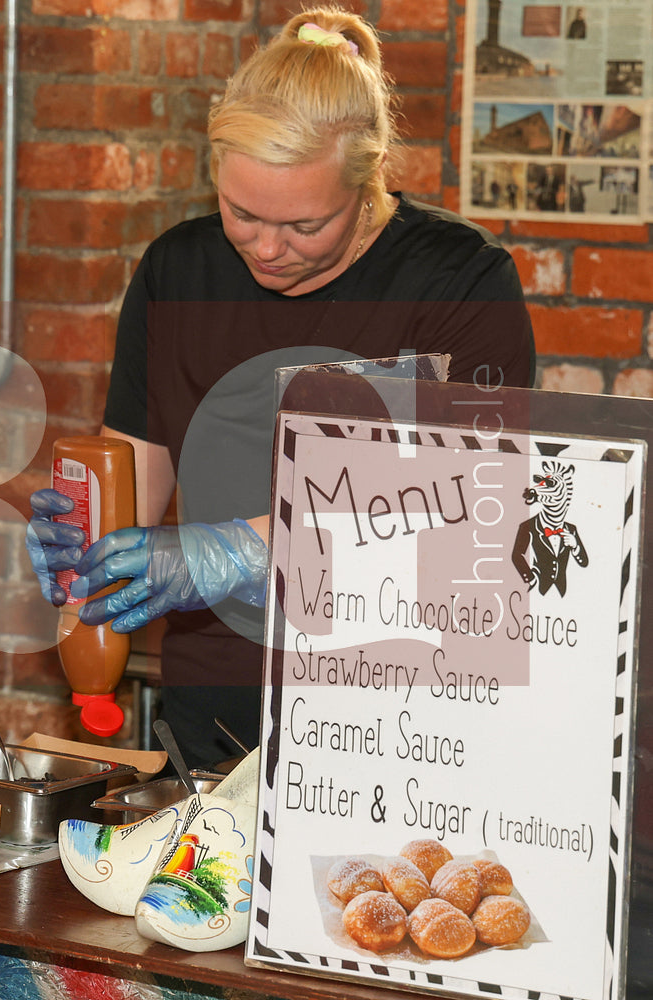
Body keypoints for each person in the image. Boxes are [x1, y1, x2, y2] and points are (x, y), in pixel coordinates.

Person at [27, 7, 535, 767]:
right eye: (241, 213)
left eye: (305, 225)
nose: (267, 248)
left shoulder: (460, 284)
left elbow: (466, 510)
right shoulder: (177, 276)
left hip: (401, 718)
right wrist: (88, 539)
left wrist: (236, 551)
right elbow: (133, 482)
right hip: (216, 712)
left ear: (366, 183)